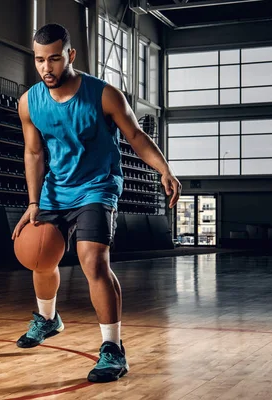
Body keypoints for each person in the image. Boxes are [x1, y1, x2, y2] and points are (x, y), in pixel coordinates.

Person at [11, 23, 182, 383]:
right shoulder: (28, 103)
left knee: (94, 262)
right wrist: (32, 202)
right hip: (55, 191)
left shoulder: (104, 95)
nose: (47, 68)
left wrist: (164, 169)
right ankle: (47, 319)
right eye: (40, 60)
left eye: (54, 59)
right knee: (42, 259)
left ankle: (113, 349)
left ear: (70, 56)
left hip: (97, 186)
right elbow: (33, 152)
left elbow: (135, 135)